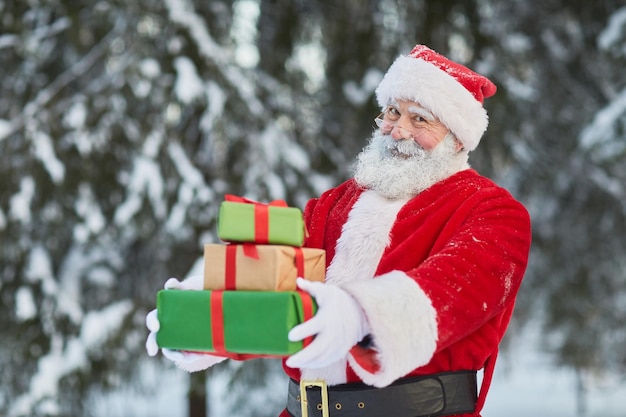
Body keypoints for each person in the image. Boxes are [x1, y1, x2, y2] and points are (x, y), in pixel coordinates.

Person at [146, 44, 532, 417]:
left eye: (420, 119)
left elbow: (454, 288)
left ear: (459, 138)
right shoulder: (335, 204)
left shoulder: (491, 211)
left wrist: (360, 315)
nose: (397, 130)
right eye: (393, 112)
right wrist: (204, 315)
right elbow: (278, 281)